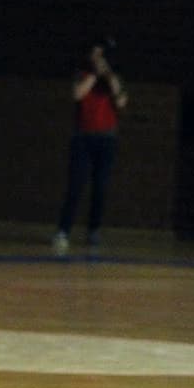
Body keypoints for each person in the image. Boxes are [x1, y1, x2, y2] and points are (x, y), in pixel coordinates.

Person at [53, 38, 129, 253]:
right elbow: (77, 94)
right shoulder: (83, 74)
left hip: (106, 139)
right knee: (75, 185)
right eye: (94, 55)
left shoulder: (113, 79)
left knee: (101, 187)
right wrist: (95, 74)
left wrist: (109, 75)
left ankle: (94, 230)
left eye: (101, 55)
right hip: (83, 137)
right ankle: (63, 231)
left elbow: (122, 101)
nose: (97, 59)